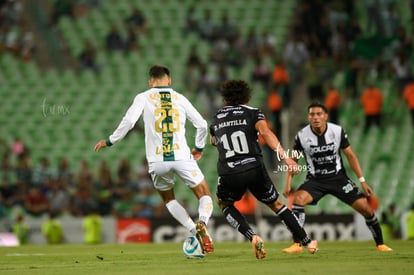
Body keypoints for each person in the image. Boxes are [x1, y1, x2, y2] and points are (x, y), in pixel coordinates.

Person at [94, 65, 214, 254]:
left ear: (151, 82)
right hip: (182, 156)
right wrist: (198, 148)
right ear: (170, 80)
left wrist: (110, 140)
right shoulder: (179, 98)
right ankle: (203, 223)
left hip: (157, 161)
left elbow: (129, 122)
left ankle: (193, 230)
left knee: (169, 200)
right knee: (204, 194)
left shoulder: (143, 97)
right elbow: (202, 124)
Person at [209, 79, 318, 259]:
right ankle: (307, 242)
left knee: (224, 203)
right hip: (253, 167)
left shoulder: (217, 117)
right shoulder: (253, 113)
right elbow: (266, 133)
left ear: (225, 99)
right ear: (247, 98)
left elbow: (214, 141)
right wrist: (285, 158)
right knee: (276, 205)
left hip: (229, 171)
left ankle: (252, 237)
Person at [282, 102, 392, 252]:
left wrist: (363, 181)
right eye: (312, 114)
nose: (315, 117)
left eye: (319, 114)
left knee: (366, 209)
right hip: (315, 180)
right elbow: (293, 160)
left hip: (338, 179)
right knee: (298, 200)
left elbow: (351, 156)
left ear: (325, 116)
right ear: (308, 117)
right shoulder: (302, 136)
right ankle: (297, 244)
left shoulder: (337, 131)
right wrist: (288, 183)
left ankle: (380, 244)